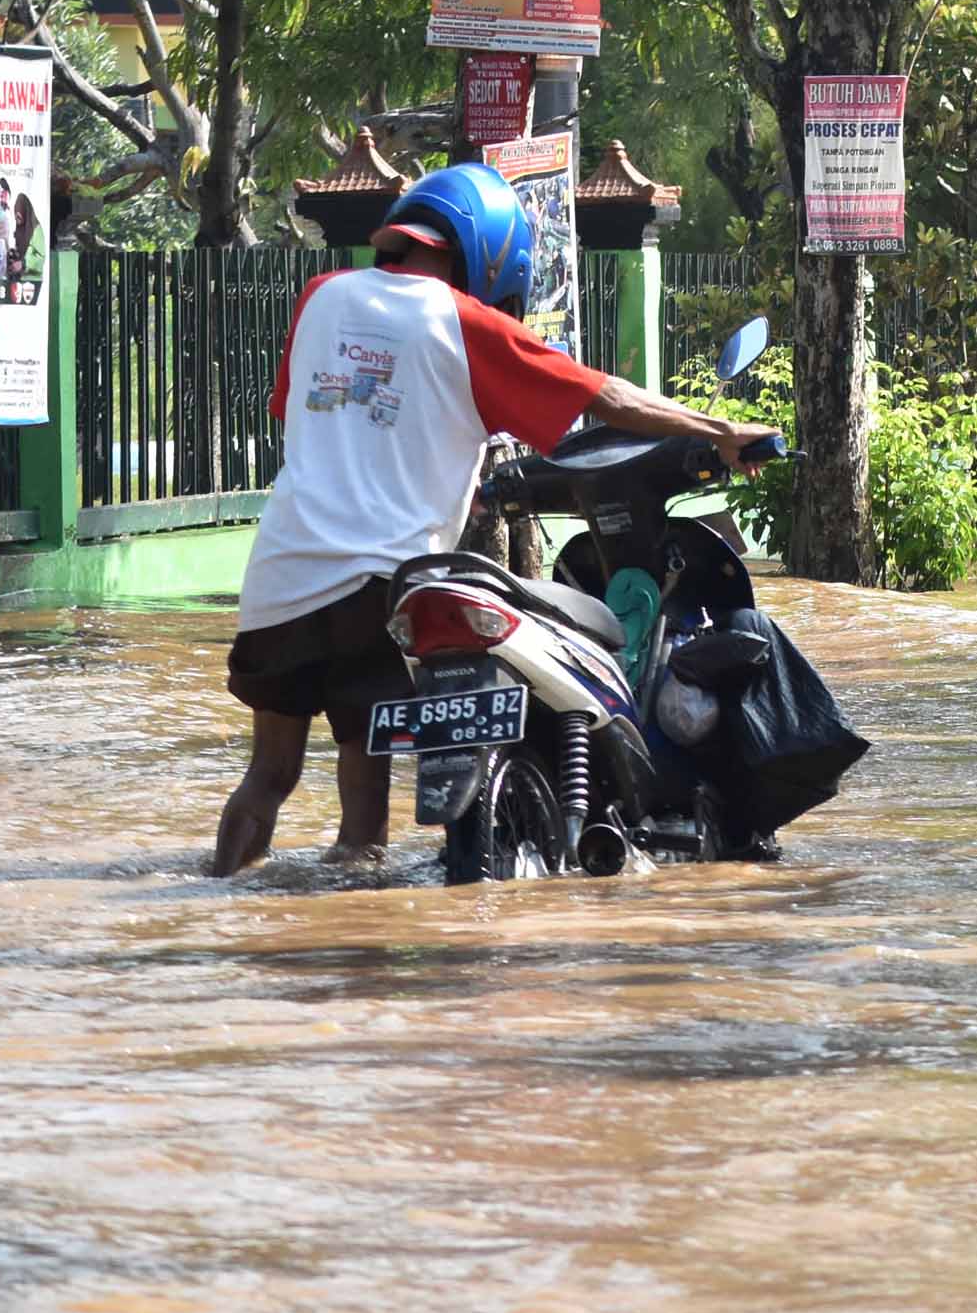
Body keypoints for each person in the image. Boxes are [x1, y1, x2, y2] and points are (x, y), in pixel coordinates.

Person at [211, 160, 775, 875]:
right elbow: (606, 398)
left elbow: (326, 420)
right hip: (378, 592)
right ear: (486, 254)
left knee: (269, 776)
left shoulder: (320, 296)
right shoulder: (464, 321)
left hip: (279, 581)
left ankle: (216, 912)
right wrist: (718, 428)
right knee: (362, 830)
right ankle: (354, 965)